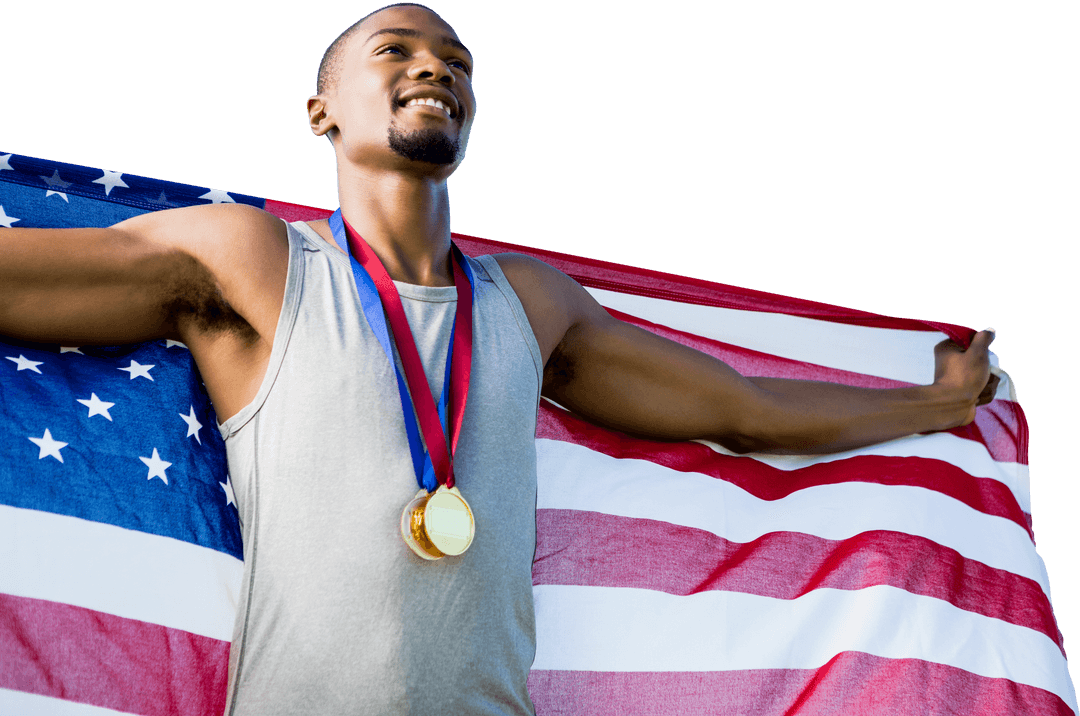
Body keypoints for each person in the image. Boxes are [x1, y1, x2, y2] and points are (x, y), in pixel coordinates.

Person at [0, 4, 999, 714]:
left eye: (457, 61)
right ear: (324, 112)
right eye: (396, 50)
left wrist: (933, 406)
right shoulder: (253, 261)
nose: (435, 68)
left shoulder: (528, 303)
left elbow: (740, 408)